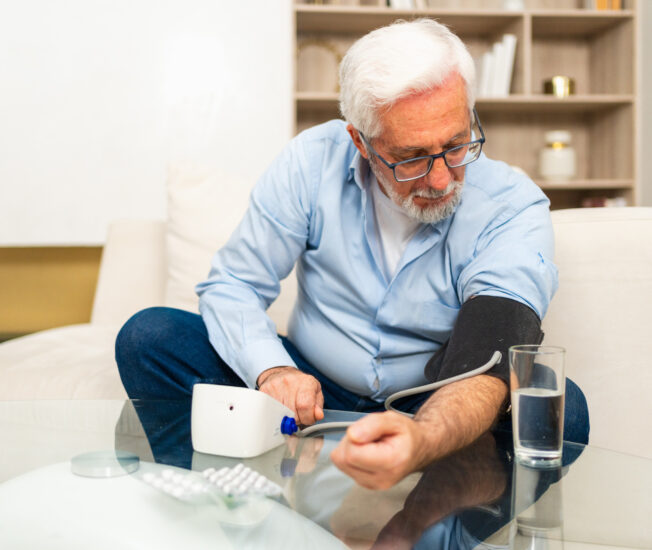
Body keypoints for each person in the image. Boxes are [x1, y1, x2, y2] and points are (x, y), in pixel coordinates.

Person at [116, 19, 589, 490]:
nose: (442, 179)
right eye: (411, 158)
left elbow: (491, 353)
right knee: (150, 337)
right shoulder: (310, 163)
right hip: (311, 388)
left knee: (560, 414)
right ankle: (232, 502)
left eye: (456, 144)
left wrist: (422, 437)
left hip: (433, 396)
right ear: (360, 142)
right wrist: (273, 370)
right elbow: (233, 285)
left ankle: (428, 532)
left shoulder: (512, 205)